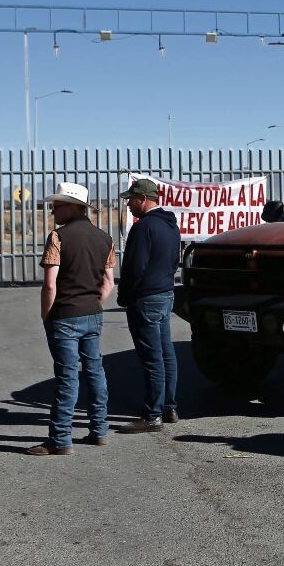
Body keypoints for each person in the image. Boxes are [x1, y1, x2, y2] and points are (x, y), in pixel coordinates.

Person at [28, 182, 115, 456]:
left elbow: (50, 284)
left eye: (58, 205)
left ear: (74, 207)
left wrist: (46, 314)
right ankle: (99, 430)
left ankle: (60, 439)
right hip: (93, 313)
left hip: (64, 315)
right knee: (95, 371)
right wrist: (94, 301)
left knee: (67, 377)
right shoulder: (105, 238)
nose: (53, 210)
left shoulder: (58, 237)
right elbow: (109, 282)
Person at [117, 178, 182, 433]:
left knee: (152, 357)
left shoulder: (143, 228)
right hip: (165, 294)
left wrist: (125, 295)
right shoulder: (170, 225)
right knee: (166, 353)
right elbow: (173, 261)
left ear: (143, 199)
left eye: (131, 200)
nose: (129, 205)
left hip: (145, 299)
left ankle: (152, 414)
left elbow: (135, 267)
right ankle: (169, 407)